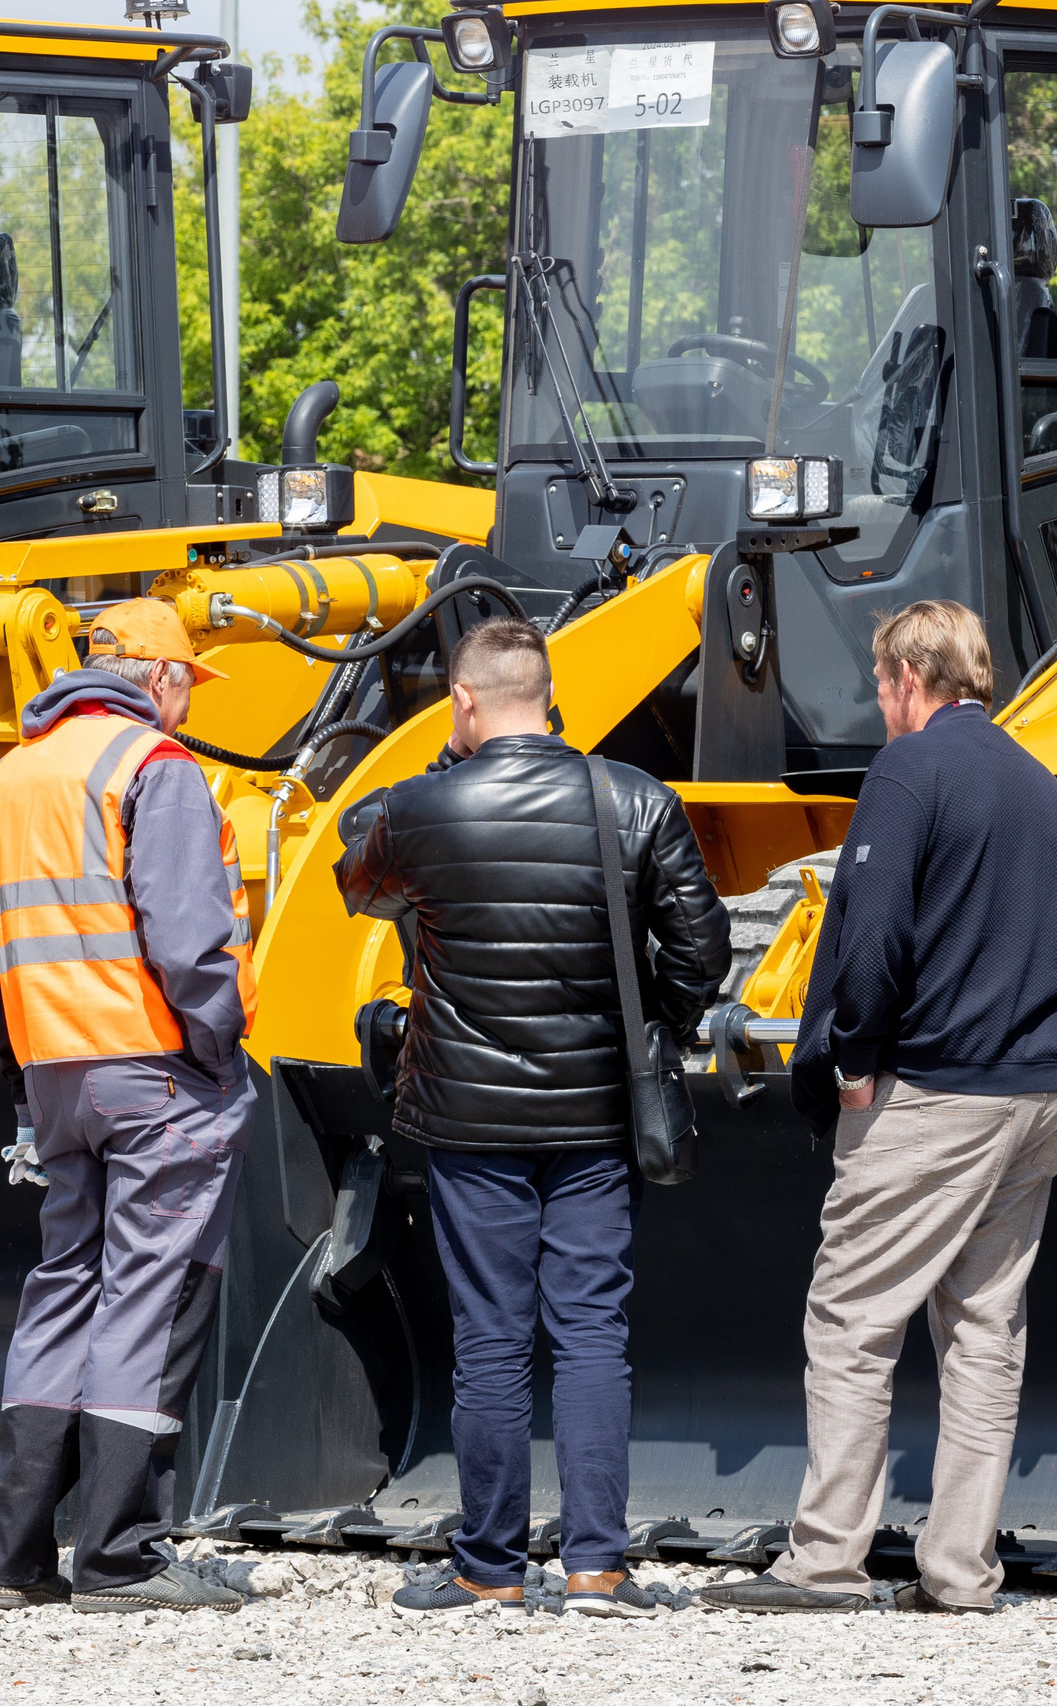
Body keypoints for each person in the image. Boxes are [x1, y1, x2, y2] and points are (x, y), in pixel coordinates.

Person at [702, 599, 1057, 1617]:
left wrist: (850, 1060)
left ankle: (825, 1558)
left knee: (852, 1314)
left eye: (881, 686)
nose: (879, 707)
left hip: (940, 1089)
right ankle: (961, 1571)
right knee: (983, 1329)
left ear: (912, 677)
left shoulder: (909, 769)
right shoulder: (1044, 790)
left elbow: (870, 933)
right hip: (1045, 1089)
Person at [334, 617, 730, 1618]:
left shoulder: (426, 806)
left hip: (469, 1119)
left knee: (492, 1338)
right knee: (593, 1328)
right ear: (546, 696)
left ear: (463, 700)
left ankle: (488, 1566)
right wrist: (657, 1025)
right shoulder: (633, 798)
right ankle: (597, 1566)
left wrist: (432, 772)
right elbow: (701, 948)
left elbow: (359, 879)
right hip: (598, 1112)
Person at [0, 599, 259, 1615]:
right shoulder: (154, 768)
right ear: (160, 675)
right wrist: (219, 1043)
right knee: (151, 1284)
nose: (186, 702)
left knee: (63, 1284)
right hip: (155, 1069)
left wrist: (25, 1074)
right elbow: (187, 942)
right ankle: (121, 1553)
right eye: (188, 681)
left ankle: (14, 1552)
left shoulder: (7, 776)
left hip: (54, 1071)